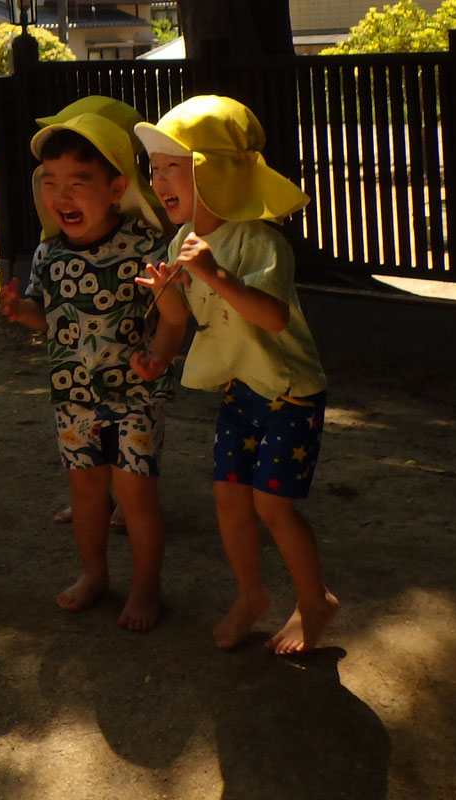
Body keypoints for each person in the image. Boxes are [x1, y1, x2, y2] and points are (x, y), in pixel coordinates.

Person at [135, 95, 338, 655]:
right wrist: (162, 331)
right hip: (241, 390)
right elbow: (182, 319)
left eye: (172, 166)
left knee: (272, 505)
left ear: (215, 172)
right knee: (228, 499)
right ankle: (252, 594)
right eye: (153, 168)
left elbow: (272, 317)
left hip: (289, 393)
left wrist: (213, 274)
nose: (157, 180)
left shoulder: (260, 240)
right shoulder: (181, 242)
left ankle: (315, 600)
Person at [2, 98, 185, 631]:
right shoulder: (48, 254)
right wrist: (19, 311)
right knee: (85, 494)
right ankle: (95, 574)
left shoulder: (145, 246)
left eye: (78, 182)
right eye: (51, 182)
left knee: (135, 497)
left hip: (135, 399)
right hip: (72, 399)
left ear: (116, 187)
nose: (62, 196)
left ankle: (146, 586)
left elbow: (174, 316)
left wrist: (161, 357)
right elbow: (45, 315)